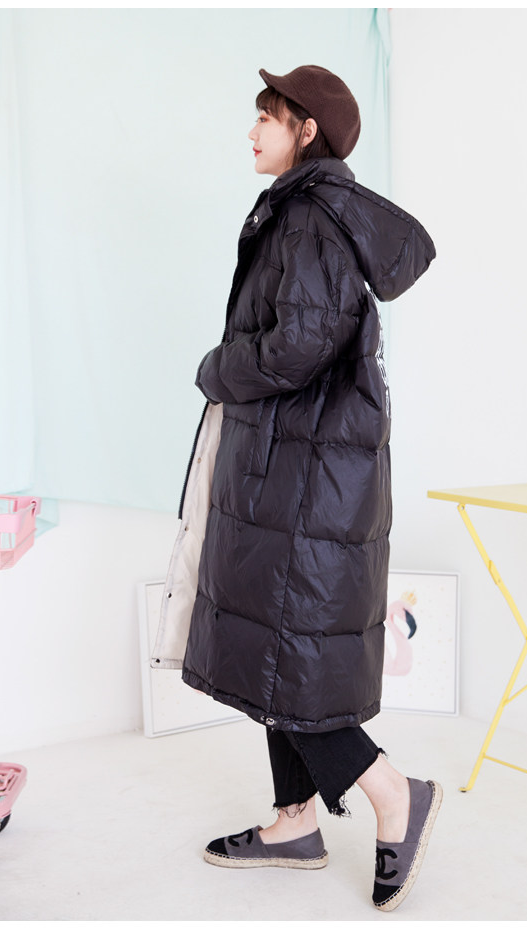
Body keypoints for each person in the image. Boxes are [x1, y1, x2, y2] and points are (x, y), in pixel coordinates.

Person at [153, 65, 438, 912]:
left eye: (267, 118)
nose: (252, 132)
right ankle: (293, 821)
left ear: (306, 130)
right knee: (276, 653)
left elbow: (298, 346)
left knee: (291, 658)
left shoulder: (311, 217)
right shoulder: (304, 210)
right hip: (295, 466)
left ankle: (395, 793)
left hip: (306, 475)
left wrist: (216, 368)